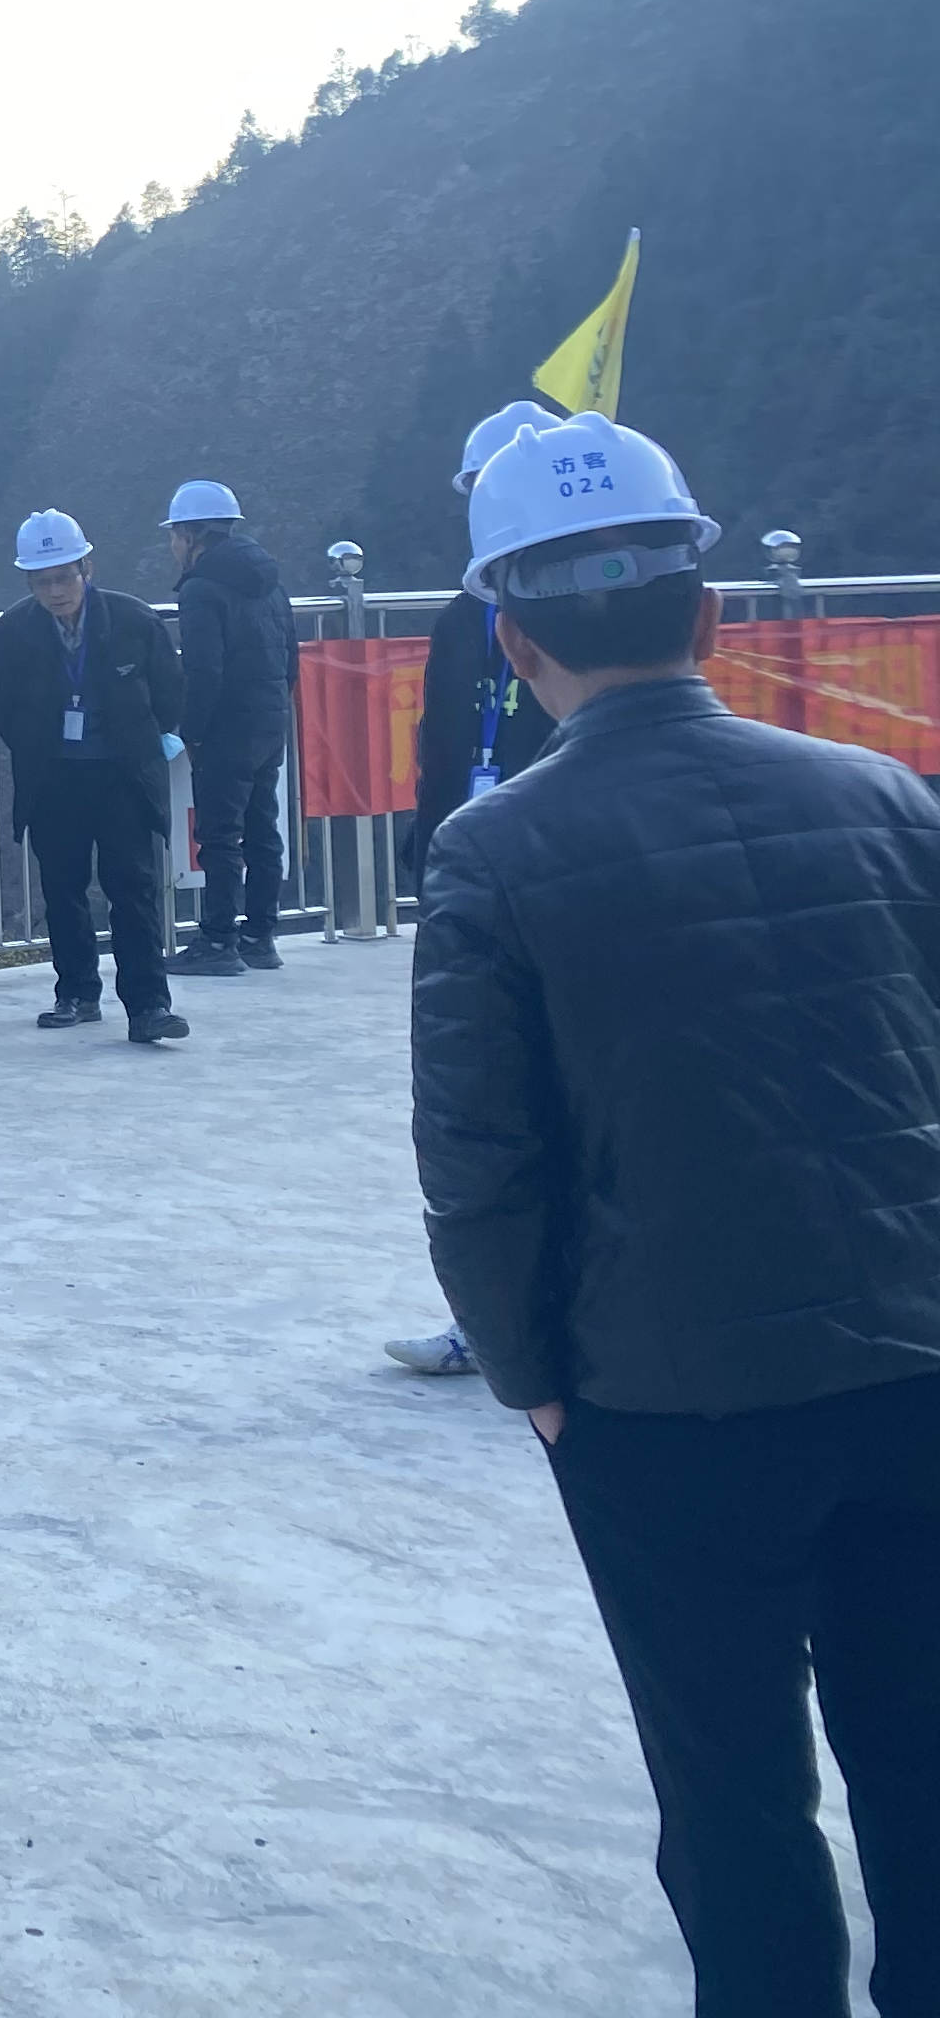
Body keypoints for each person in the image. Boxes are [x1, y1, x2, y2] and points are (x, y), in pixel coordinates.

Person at [412, 412, 940, 2011]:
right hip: (915, 1376)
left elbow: (480, 1169)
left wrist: (530, 1377)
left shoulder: (493, 854)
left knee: (732, 1800)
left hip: (667, 1410)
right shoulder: (891, 799)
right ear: (710, 612)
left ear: (513, 644)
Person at [384, 402, 564, 1381]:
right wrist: (428, 844)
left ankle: (559, 1321)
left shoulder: (579, 621)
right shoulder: (465, 619)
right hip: (473, 864)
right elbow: (444, 738)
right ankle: (493, 1320)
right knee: (485, 1097)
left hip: (558, 872)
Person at [0, 511, 186, 1046]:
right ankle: (76, 993)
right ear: (28, 582)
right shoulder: (12, 633)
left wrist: (144, 744)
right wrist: (37, 747)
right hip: (54, 778)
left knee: (133, 890)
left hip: (121, 778)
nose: (55, 591)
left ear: (86, 569)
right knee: (63, 889)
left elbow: (169, 693)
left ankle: (149, 1006)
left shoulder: (134, 621)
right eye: (42, 581)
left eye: (63, 577)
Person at [165, 478, 299, 976]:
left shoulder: (200, 590)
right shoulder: (270, 582)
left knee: (219, 836)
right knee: (263, 829)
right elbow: (290, 658)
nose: (172, 546)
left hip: (227, 727)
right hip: (269, 720)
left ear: (191, 536)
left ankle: (218, 940)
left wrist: (191, 731)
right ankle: (260, 936)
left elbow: (204, 670)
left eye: (174, 535)